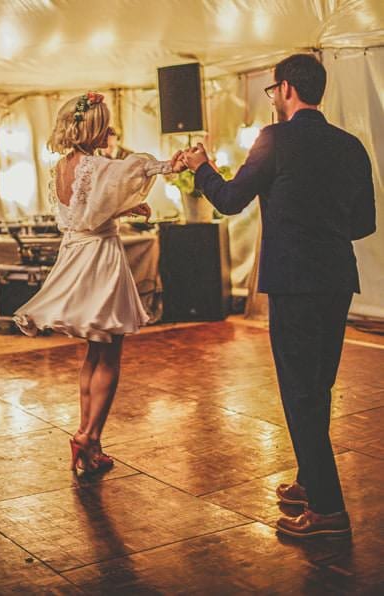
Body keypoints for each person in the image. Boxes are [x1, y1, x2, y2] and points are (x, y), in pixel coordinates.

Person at [180, 53, 375, 539]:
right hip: (337, 279)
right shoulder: (351, 145)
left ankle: (328, 511)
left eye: (273, 90)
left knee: (300, 392)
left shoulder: (275, 139)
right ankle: (310, 480)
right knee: (317, 386)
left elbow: (230, 200)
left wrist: (202, 168)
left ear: (285, 89)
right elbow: (364, 223)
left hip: (294, 280)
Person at [13, 92, 184, 474]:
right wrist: (169, 165)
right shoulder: (98, 165)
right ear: (93, 128)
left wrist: (124, 208)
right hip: (101, 259)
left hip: (75, 254)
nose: (108, 131)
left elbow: (84, 212)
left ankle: (89, 438)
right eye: (104, 124)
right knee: (110, 351)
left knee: (94, 351)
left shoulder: (61, 167)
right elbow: (136, 169)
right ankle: (88, 436)